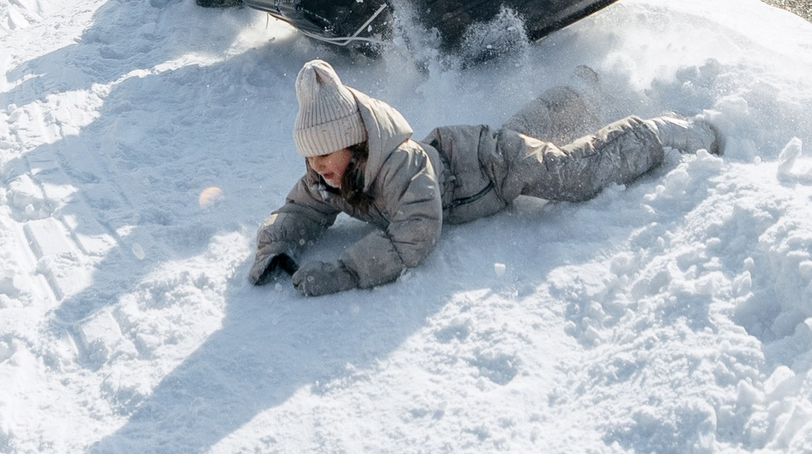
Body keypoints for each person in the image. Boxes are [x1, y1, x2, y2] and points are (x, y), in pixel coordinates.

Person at [248, 61, 721, 297]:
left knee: (575, 173)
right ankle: (579, 89)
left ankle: (667, 132)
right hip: (470, 153)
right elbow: (299, 209)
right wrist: (273, 246)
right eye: (309, 158)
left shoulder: (401, 167)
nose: (316, 167)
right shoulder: (330, 176)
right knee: (529, 129)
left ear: (355, 143)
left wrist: (344, 272)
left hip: (492, 167)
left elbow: (415, 235)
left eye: (324, 155)